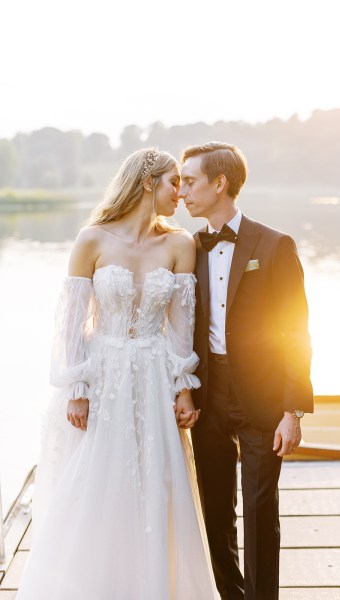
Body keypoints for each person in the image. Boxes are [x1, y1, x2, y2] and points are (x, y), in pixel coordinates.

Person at [16, 148, 219, 600]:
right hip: (102, 376)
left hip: (152, 377)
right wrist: (77, 387)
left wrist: (183, 387)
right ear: (148, 183)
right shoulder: (92, 240)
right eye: (174, 183)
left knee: (156, 481)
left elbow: (181, 329)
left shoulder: (180, 244)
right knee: (96, 482)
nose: (180, 193)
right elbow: (71, 324)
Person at [176, 142, 314, 600]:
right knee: (216, 511)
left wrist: (293, 409)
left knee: (259, 510)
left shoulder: (275, 244)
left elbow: (296, 330)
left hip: (263, 396)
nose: (182, 192)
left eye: (191, 180)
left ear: (220, 183)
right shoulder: (187, 248)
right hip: (208, 393)